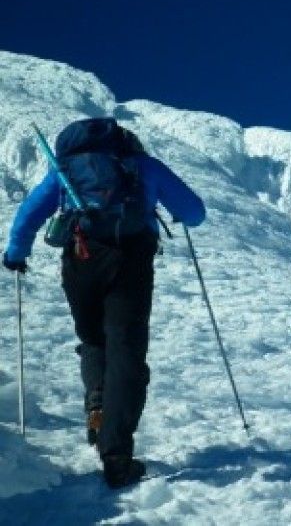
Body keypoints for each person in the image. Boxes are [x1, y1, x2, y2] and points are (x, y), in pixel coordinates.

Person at [2, 118, 205, 489]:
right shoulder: (142, 165)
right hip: (130, 261)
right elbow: (195, 212)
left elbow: (30, 212)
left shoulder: (64, 169)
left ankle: (98, 402)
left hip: (80, 260)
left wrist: (16, 253)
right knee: (126, 349)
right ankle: (116, 455)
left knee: (94, 340)